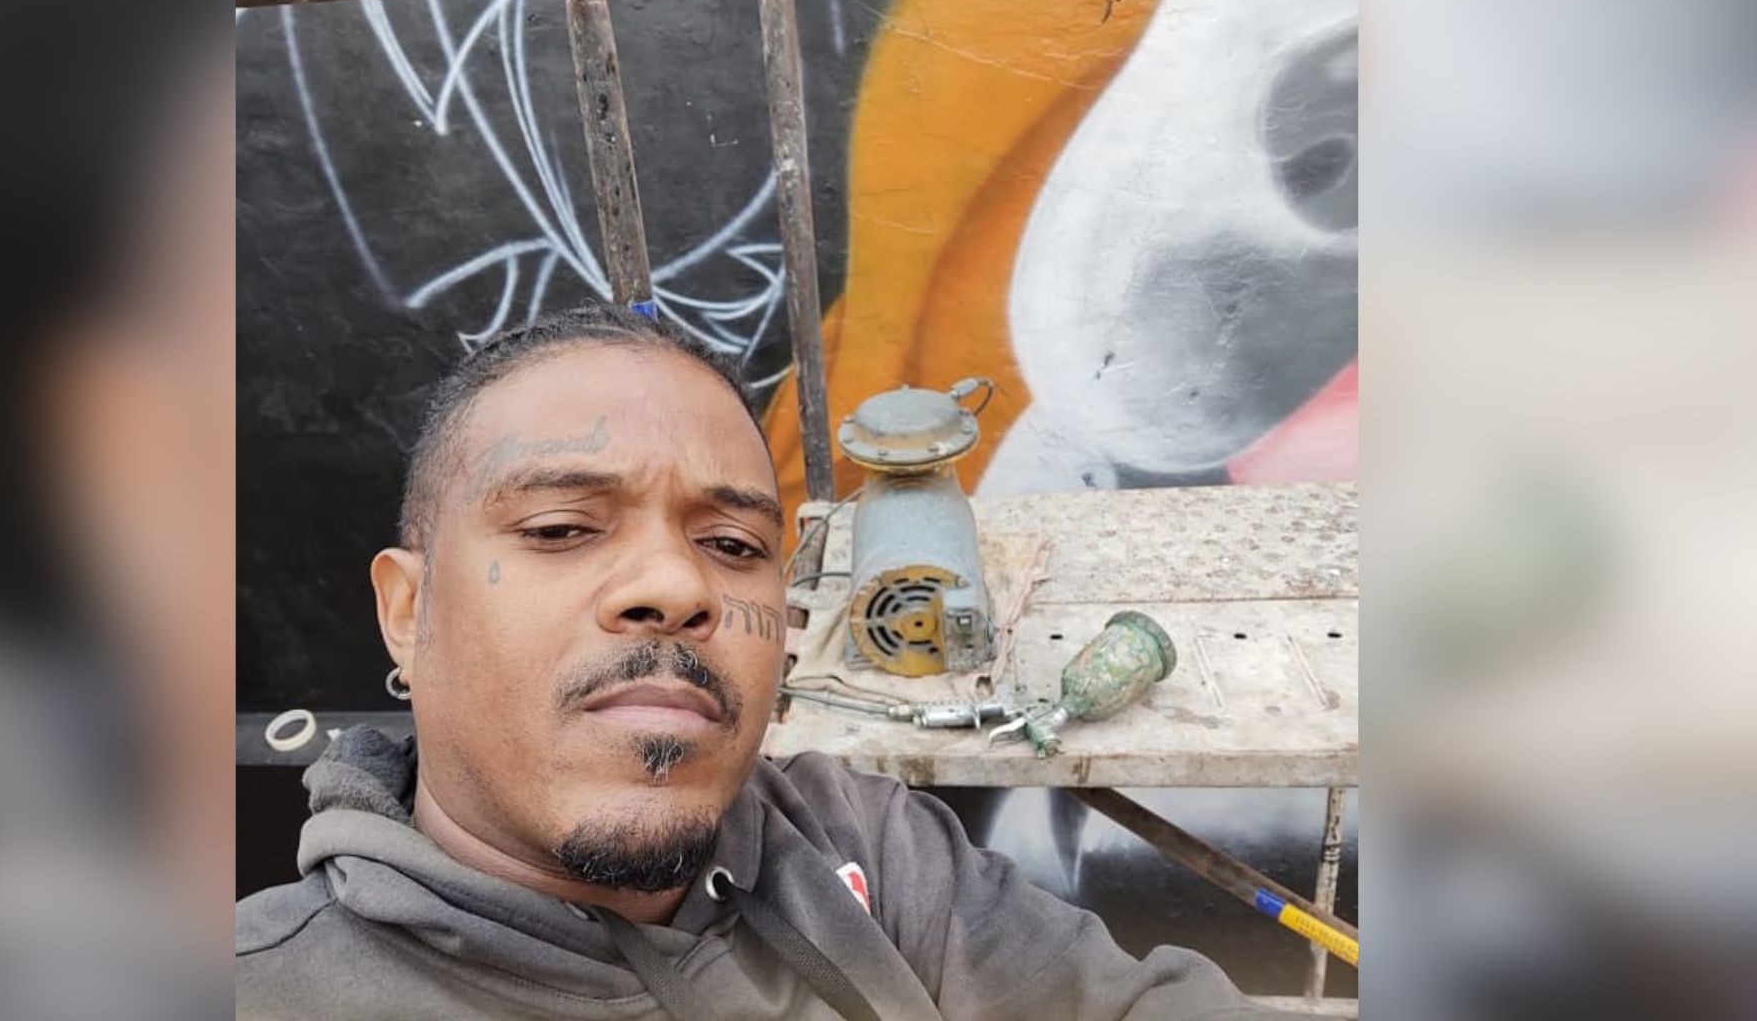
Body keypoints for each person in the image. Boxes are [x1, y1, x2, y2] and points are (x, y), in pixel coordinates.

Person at [237, 305, 1301, 1019]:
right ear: (407, 610)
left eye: (734, 545)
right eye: (561, 529)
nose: (679, 585)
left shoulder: (862, 847)